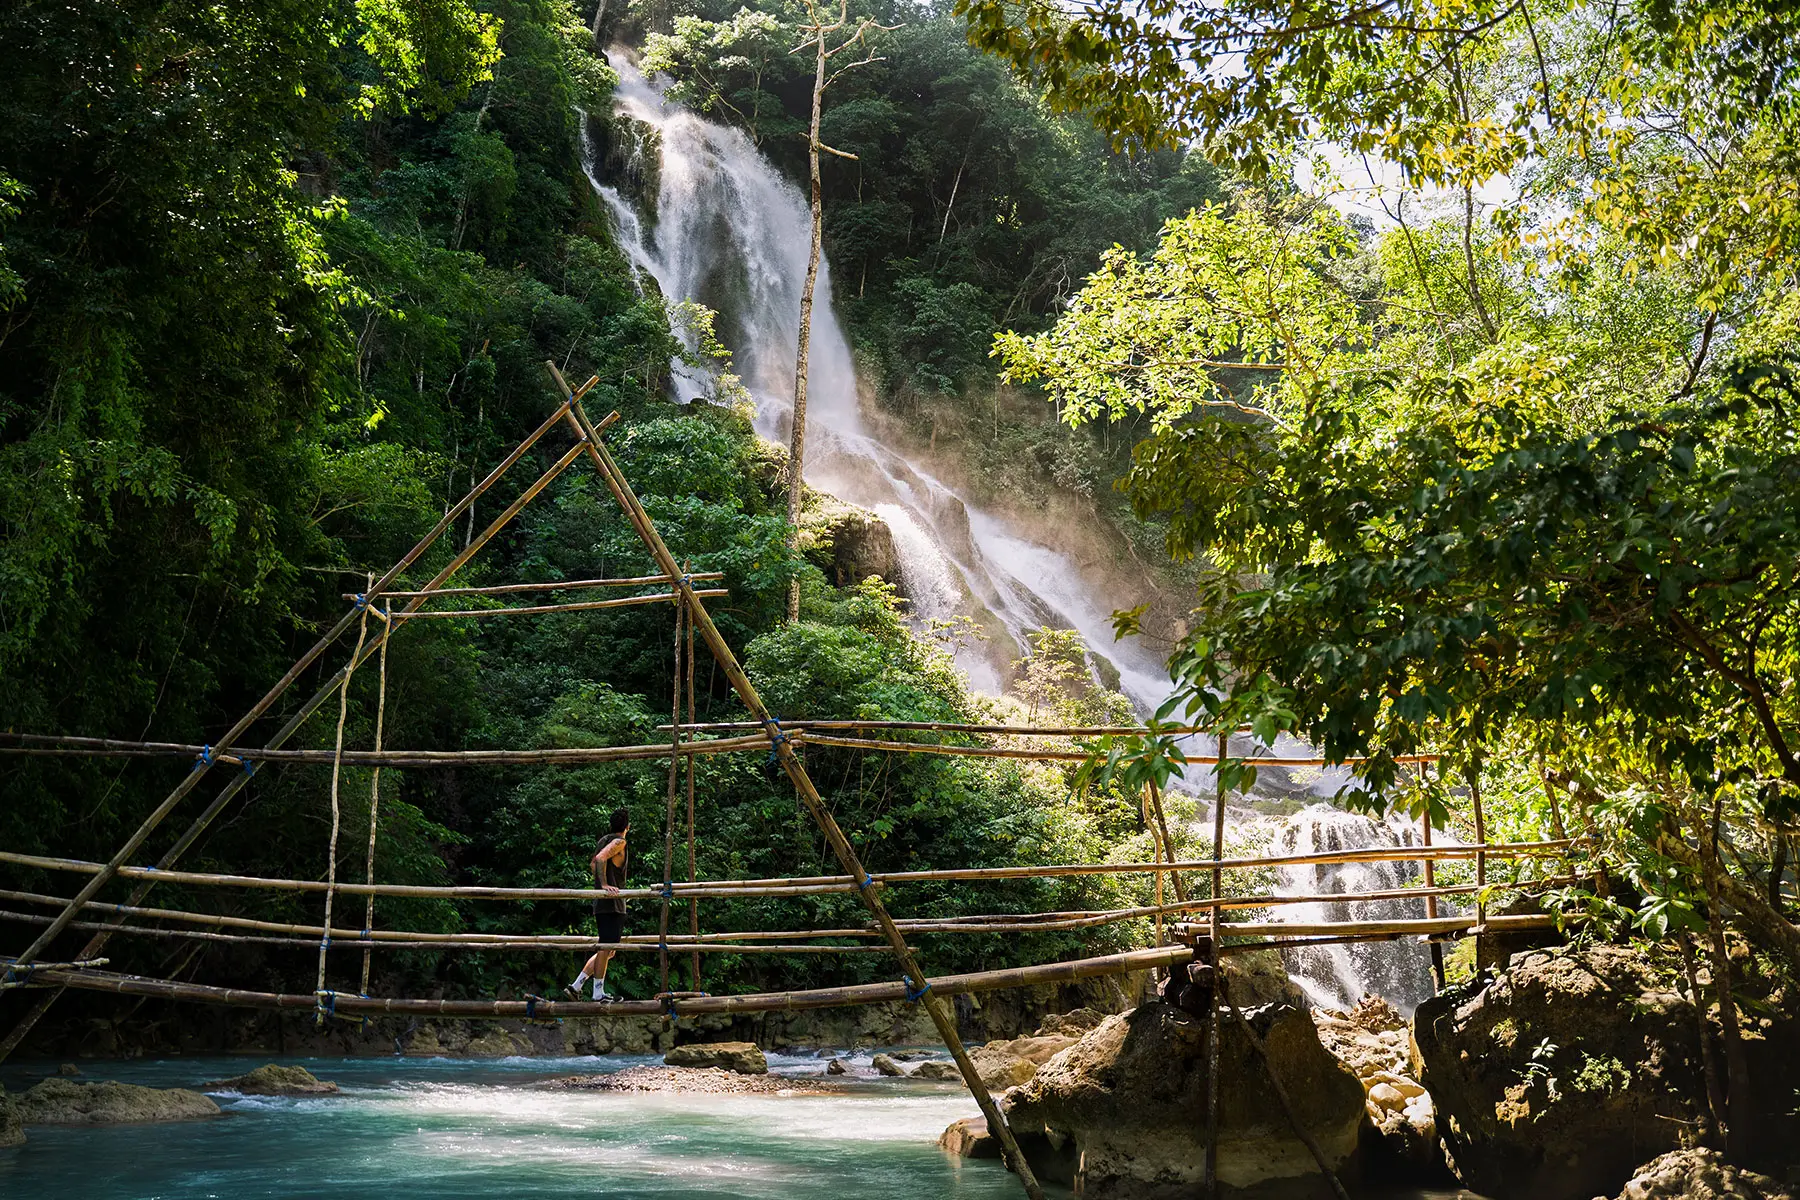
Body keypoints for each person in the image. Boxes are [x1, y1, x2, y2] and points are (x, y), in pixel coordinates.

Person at [567, 808, 630, 1002]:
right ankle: (598, 993)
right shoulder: (619, 842)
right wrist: (604, 884)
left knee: (607, 950)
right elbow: (601, 859)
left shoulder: (603, 840)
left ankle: (577, 986)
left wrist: (601, 882)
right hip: (612, 904)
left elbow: (594, 864)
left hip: (604, 903)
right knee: (606, 948)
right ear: (627, 827)